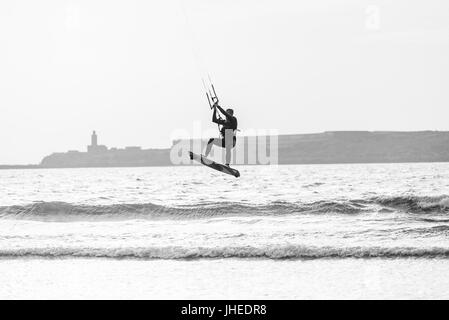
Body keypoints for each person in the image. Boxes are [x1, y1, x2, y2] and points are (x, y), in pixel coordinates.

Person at [204, 101, 238, 166]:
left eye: (228, 114)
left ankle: (227, 164)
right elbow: (214, 120)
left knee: (228, 135)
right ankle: (205, 156)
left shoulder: (233, 119)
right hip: (224, 142)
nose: (226, 115)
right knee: (212, 140)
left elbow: (225, 113)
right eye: (227, 113)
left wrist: (218, 106)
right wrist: (214, 109)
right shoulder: (224, 122)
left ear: (231, 114)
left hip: (231, 142)